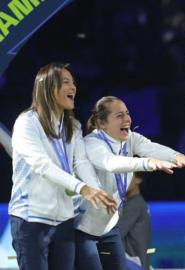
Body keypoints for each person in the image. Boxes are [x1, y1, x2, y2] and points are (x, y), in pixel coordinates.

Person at [75, 96, 185, 270]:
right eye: (119, 115)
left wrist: (177, 157)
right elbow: (111, 163)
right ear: (102, 122)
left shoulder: (130, 139)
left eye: (127, 113)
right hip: (84, 230)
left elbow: (152, 147)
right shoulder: (92, 143)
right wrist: (147, 163)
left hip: (108, 227)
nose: (127, 119)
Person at [8, 62, 117, 270]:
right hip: (31, 219)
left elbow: (80, 161)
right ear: (49, 88)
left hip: (64, 221)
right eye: (66, 82)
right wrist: (82, 189)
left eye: (73, 82)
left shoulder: (73, 126)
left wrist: (97, 190)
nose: (73, 87)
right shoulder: (26, 123)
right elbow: (42, 165)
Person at [118, 171, 152, 270]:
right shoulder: (136, 203)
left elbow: (115, 234)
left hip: (133, 265)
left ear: (138, 179)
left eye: (127, 176)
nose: (122, 180)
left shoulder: (134, 205)